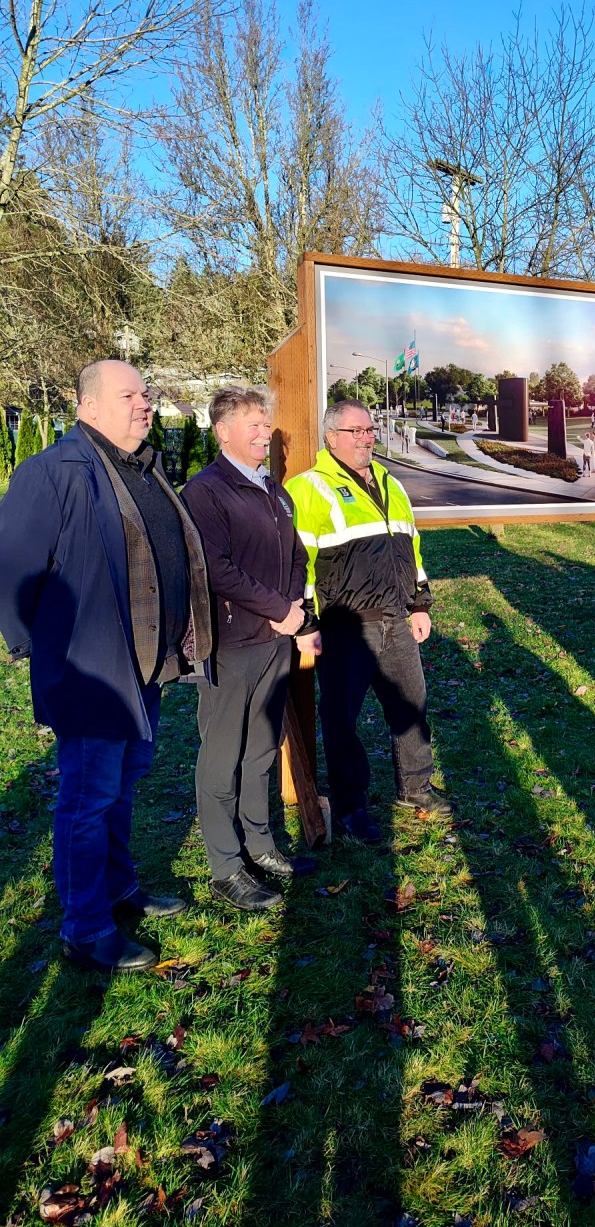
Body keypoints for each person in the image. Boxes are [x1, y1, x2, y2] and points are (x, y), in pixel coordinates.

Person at [0, 361, 212, 972]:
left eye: (146, 395)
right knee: (88, 797)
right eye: (129, 396)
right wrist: (40, 648)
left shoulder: (142, 467)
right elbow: (13, 572)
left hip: (143, 666)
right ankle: (86, 927)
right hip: (91, 670)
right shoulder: (53, 471)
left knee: (122, 785)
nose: (144, 405)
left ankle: (119, 889)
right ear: (88, 405)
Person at [181, 387, 321, 912]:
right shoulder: (206, 492)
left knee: (261, 750)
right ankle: (225, 866)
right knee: (221, 757)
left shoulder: (275, 492)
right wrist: (274, 609)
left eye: (267, 424)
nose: (267, 433)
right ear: (224, 431)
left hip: (275, 642)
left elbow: (297, 558)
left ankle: (261, 846)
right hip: (231, 644)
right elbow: (215, 569)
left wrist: (297, 615)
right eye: (255, 424)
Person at [286, 399, 451, 843]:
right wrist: (306, 624)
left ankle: (416, 787)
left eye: (369, 430)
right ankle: (351, 806)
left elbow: (410, 550)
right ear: (331, 437)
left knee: (411, 706)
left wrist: (420, 604)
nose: (365, 438)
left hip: (398, 619)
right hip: (346, 626)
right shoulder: (306, 489)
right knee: (343, 720)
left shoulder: (390, 483)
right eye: (354, 431)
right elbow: (297, 563)